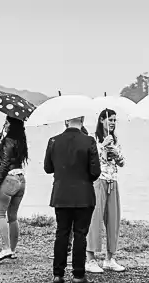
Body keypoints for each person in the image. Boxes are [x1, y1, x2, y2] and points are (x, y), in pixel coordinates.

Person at [45, 115, 102, 283]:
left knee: (61, 233)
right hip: (83, 195)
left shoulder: (53, 141)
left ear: (65, 121)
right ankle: (78, 274)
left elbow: (48, 168)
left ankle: (58, 274)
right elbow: (95, 172)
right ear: (82, 121)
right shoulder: (89, 141)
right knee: (80, 235)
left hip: (61, 194)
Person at [86, 109, 127, 273]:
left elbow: (122, 163)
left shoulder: (115, 140)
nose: (112, 123)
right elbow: (91, 160)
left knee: (113, 219)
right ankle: (90, 259)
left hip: (113, 181)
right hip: (98, 181)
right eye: (110, 119)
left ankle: (110, 258)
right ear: (101, 120)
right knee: (94, 220)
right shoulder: (92, 139)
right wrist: (103, 147)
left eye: (115, 120)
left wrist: (116, 153)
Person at [0, 116, 29, 264]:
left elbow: (5, 164)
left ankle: (5, 248)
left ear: (11, 125)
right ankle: (12, 250)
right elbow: (12, 158)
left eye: (6, 122)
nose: (4, 124)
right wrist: (1, 143)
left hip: (9, 180)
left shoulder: (8, 141)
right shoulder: (21, 141)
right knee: (12, 216)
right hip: (21, 179)